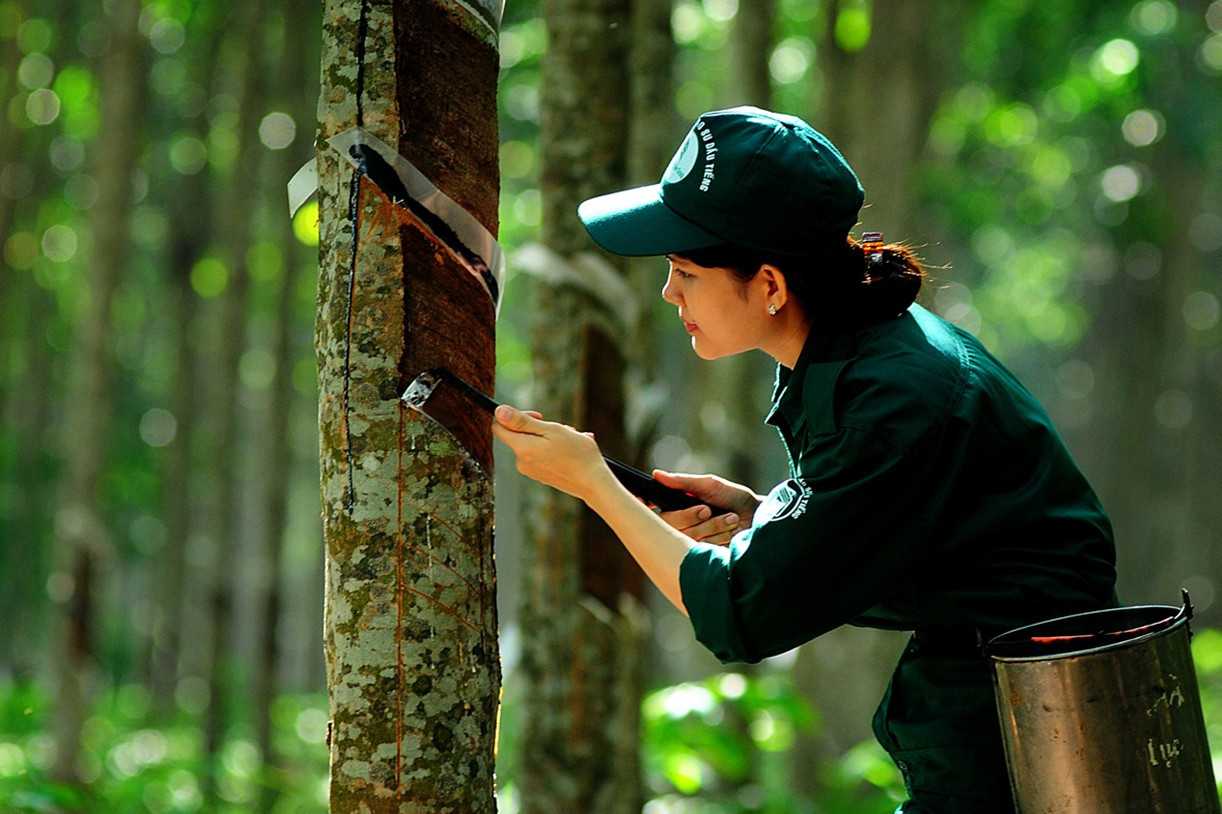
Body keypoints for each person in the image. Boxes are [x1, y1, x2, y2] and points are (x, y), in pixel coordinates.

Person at [490, 106, 1119, 813]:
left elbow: (740, 616)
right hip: (992, 715)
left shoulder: (896, 394)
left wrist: (594, 485)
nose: (670, 293)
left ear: (769, 286)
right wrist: (760, 516)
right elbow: (886, 526)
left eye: (686, 271)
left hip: (1035, 736)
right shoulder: (858, 345)